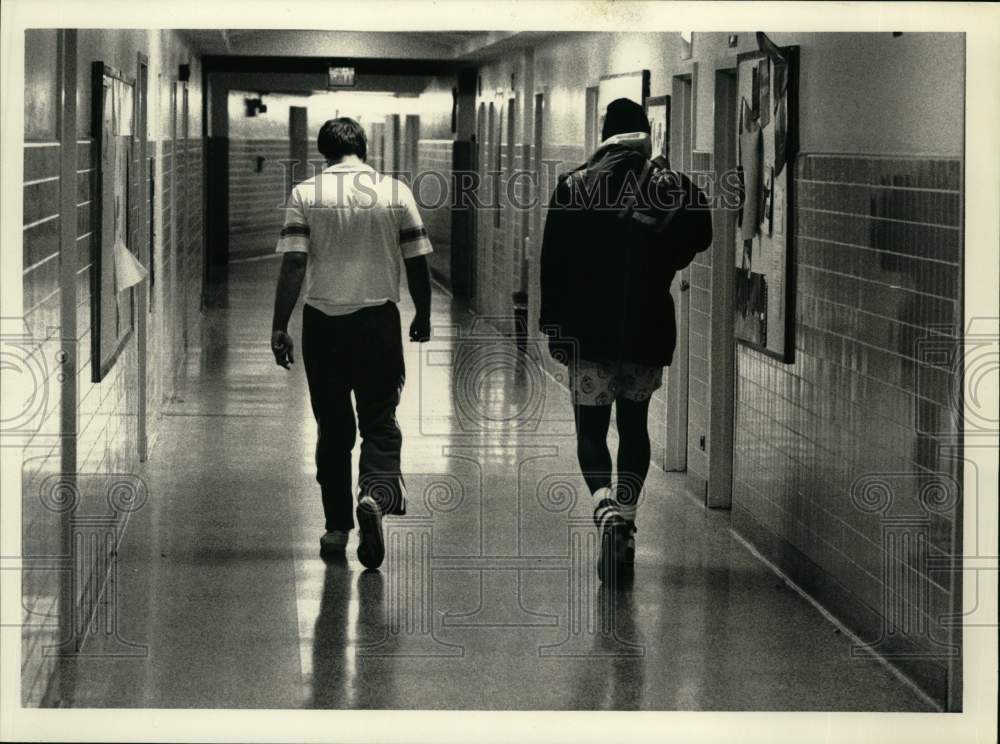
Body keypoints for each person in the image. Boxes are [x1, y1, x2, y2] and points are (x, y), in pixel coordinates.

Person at [539, 98, 712, 583]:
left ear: (604, 134)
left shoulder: (575, 185)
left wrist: (553, 326)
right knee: (635, 429)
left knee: (591, 433)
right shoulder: (666, 187)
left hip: (588, 334)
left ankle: (604, 511)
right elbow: (701, 235)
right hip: (646, 330)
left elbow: (553, 262)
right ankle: (629, 520)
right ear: (644, 135)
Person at [270, 117, 433, 569]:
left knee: (334, 429)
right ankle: (375, 497)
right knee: (380, 420)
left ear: (323, 151)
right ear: (363, 147)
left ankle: (336, 526)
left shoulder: (306, 193)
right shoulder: (395, 192)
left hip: (324, 325)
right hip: (378, 323)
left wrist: (279, 325)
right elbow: (417, 259)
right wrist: (423, 311)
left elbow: (294, 265)